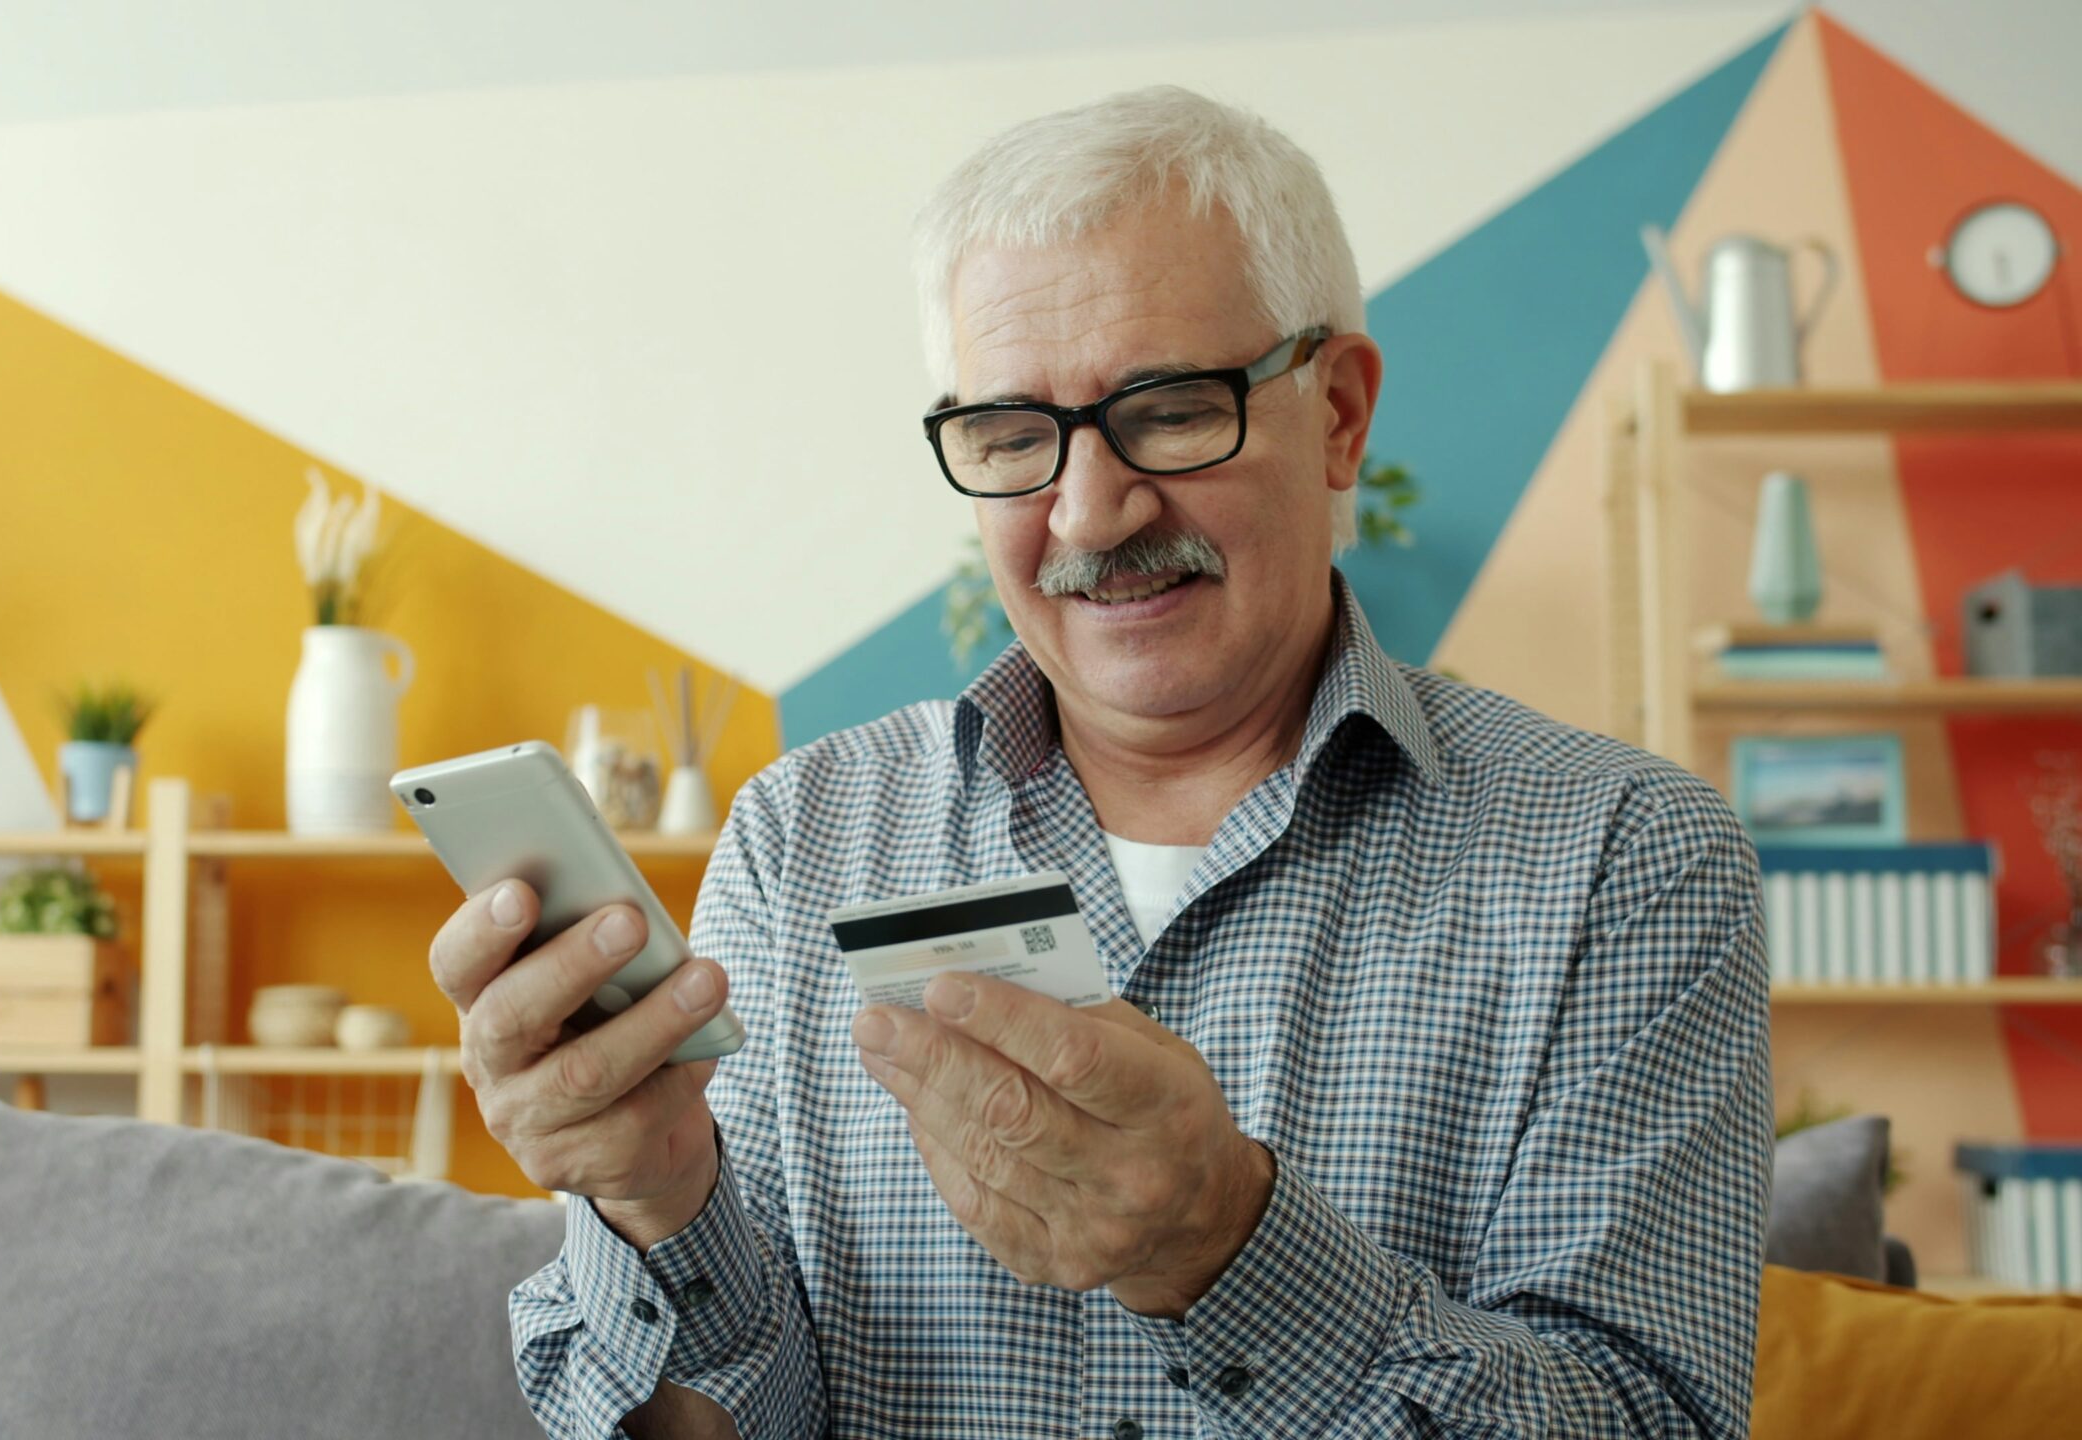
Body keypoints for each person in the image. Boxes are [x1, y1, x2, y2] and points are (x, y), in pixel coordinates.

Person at [427, 85, 1770, 1439]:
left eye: (1171, 409)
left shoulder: (1623, 858)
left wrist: (1226, 1252)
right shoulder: (803, 837)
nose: (1091, 509)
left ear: (1342, 416)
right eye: (1012, 438)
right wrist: (656, 1200)